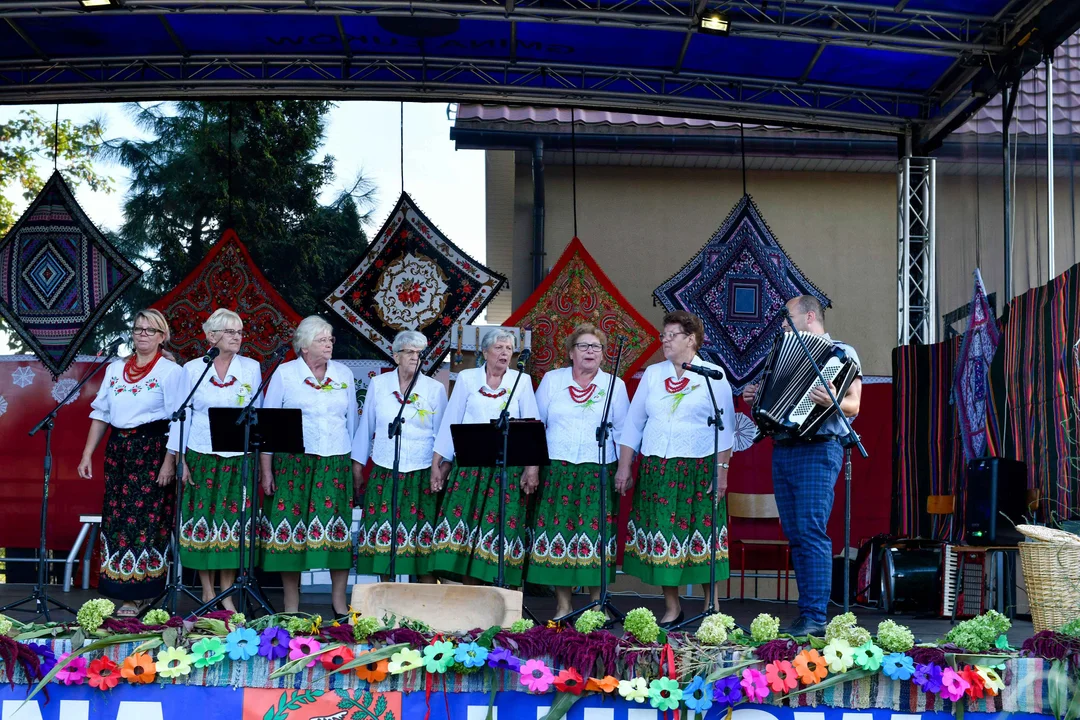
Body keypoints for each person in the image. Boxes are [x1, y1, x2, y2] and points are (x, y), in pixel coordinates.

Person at [742, 295, 862, 637]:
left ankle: (816, 616)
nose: (783, 326)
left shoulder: (842, 353)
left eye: (787, 320)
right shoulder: (781, 352)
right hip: (784, 447)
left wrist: (834, 399)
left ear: (809, 317)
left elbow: (854, 405)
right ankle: (807, 613)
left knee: (810, 530)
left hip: (819, 448)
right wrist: (757, 393)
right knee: (795, 534)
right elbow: (772, 395)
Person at [615, 310, 735, 627]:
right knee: (663, 537)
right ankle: (672, 607)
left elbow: (726, 430)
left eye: (671, 335)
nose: (665, 341)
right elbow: (633, 424)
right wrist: (624, 466)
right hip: (658, 469)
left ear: (691, 339)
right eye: (663, 335)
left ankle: (713, 607)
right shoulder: (653, 375)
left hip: (699, 468)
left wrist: (721, 471)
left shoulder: (713, 375)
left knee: (703, 533)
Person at [78, 309, 183, 617]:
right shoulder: (115, 369)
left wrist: (170, 461)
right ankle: (117, 589)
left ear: (162, 336)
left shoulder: (169, 371)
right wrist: (87, 454)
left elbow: (178, 419)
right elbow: (101, 413)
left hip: (152, 449)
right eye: (137, 329)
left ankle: (139, 595)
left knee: (145, 522)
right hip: (119, 450)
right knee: (116, 519)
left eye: (150, 330)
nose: (141, 335)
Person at [528, 324, 629, 619]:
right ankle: (563, 604)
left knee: (595, 537)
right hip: (557, 468)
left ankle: (597, 605)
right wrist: (532, 469)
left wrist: (624, 467)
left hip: (598, 469)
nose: (590, 352)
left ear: (603, 354)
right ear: (571, 353)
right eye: (583, 346)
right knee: (557, 534)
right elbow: (536, 426)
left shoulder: (615, 385)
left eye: (596, 347)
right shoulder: (552, 380)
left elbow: (624, 431)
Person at [259, 316, 357, 615]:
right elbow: (269, 424)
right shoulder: (285, 374)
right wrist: (267, 469)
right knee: (289, 533)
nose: (329, 343)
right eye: (322, 339)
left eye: (330, 339)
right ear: (304, 345)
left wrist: (353, 465)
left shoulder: (344, 374)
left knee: (336, 532)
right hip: (293, 465)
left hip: (334, 462)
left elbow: (351, 422)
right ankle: (291, 603)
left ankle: (339, 602)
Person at [167, 308, 262, 611]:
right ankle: (207, 592)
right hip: (200, 455)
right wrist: (178, 460)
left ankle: (228, 593)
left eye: (240, 331)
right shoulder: (193, 369)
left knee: (232, 525)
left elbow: (257, 415)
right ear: (212, 336)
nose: (238, 337)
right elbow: (180, 416)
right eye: (231, 332)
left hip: (238, 458)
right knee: (202, 523)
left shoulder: (251, 368)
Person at [429, 329, 540, 586]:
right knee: (463, 523)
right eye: (499, 347)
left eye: (509, 349)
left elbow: (531, 424)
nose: (504, 353)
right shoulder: (468, 379)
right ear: (485, 352)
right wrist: (439, 461)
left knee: (499, 527)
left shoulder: (521, 381)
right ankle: (464, 592)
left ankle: (496, 592)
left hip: (506, 470)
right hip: (469, 466)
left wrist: (531, 467)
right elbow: (451, 419)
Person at [353, 330, 448, 581]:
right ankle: (386, 605)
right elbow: (366, 429)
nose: (415, 357)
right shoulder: (379, 385)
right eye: (410, 352)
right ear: (396, 356)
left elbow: (443, 437)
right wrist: (357, 468)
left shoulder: (434, 389)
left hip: (421, 473)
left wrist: (440, 470)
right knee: (386, 541)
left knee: (421, 543)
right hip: (385, 470)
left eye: (419, 353)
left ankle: (424, 611)